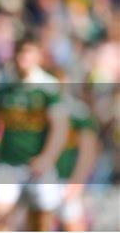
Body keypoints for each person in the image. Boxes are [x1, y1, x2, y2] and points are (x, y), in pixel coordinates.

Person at [0, 39, 69, 231]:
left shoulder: (48, 87)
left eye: (28, 52)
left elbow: (60, 127)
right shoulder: (2, 86)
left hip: (38, 164)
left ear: (38, 57)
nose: (23, 58)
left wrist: (47, 157)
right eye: (20, 52)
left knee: (41, 219)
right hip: (8, 162)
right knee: (0, 216)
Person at [55, 83, 98, 231]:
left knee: (72, 220)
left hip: (65, 178)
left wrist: (77, 181)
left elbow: (88, 151)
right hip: (42, 176)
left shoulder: (78, 113)